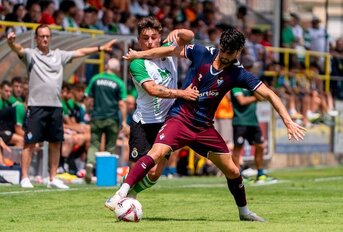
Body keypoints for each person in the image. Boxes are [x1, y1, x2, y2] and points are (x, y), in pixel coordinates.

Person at [107, 27, 306, 221]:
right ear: (220, 46)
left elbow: (270, 94)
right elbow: (171, 49)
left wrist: (288, 122)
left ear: (238, 52)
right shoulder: (202, 52)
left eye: (231, 54)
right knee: (156, 153)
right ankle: (119, 194)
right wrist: (140, 54)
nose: (226, 57)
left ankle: (244, 212)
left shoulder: (238, 73)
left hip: (204, 129)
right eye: (224, 52)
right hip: (180, 118)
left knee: (234, 171)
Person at [105, 16, 198, 209]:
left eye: (154, 37)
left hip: (167, 123)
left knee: (155, 174)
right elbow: (153, 90)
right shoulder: (137, 63)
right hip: (144, 123)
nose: (149, 42)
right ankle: (126, 200)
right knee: (137, 170)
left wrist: (179, 32)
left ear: (159, 37)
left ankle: (130, 193)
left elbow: (190, 36)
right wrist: (182, 93)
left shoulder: (169, 50)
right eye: (145, 38)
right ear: (139, 40)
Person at [7, 24, 117, 189]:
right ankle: (25, 177)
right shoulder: (30, 55)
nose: (44, 39)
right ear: (36, 38)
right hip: (36, 107)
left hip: (56, 107)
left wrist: (101, 48)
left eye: (47, 36)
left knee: (56, 143)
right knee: (29, 143)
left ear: (50, 38)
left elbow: (80, 52)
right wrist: (10, 43)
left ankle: (52, 178)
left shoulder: (59, 55)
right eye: (41, 36)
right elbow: (18, 49)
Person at [231, 56, 276, 184]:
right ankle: (237, 176)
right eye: (249, 68)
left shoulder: (251, 82)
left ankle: (260, 173)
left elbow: (262, 97)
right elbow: (242, 101)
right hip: (240, 121)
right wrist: (255, 97)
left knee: (260, 146)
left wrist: (256, 93)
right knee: (237, 149)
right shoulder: (236, 84)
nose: (251, 71)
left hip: (253, 121)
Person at [84, 58, 128, 183]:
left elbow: (88, 99)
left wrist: (88, 112)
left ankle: (90, 164)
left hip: (96, 117)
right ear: (118, 69)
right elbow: (122, 104)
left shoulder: (95, 78)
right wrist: (124, 121)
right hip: (112, 118)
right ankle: (107, 175)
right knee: (110, 146)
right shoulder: (119, 83)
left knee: (94, 144)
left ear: (106, 66)